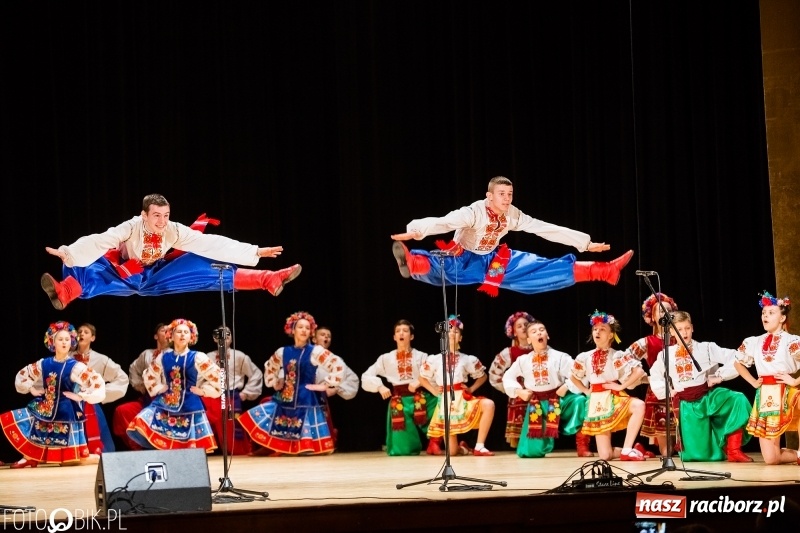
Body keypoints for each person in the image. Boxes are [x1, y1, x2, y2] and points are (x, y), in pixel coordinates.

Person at [40, 193, 301, 310]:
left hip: (156, 274)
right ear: (144, 215)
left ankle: (268, 279)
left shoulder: (173, 230)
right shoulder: (131, 227)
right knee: (85, 263)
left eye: (166, 215)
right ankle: (66, 292)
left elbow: (212, 243)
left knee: (204, 264)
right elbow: (102, 240)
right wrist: (69, 252)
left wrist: (255, 252)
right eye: (156, 215)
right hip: (122, 272)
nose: (162, 221)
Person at [390, 176, 633, 297]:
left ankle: (605, 271)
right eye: (502, 194)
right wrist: (417, 229)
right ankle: (411, 262)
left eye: (510, 194)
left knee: (538, 268)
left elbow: (543, 228)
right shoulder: (473, 213)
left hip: (494, 260)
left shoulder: (512, 215)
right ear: (489, 196)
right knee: (443, 267)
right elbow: (444, 221)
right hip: (464, 257)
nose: (507, 198)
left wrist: (585, 243)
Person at [648, 310, 753, 462]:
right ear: (671, 332)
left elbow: (736, 357)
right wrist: (668, 391)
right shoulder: (666, 354)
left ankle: (734, 450)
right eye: (679, 329)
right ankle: (717, 446)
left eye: (687, 328)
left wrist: (720, 376)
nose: (684, 333)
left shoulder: (706, 348)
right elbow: (655, 374)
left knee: (737, 399)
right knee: (698, 456)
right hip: (687, 405)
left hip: (707, 397)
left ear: (692, 328)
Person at [237, 311, 345, 455]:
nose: (304, 330)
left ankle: (304, 449)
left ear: (311, 332)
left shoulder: (315, 351)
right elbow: (270, 367)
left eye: (307, 328)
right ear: (292, 330)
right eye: (300, 327)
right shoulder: (283, 352)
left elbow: (337, 365)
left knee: (306, 438)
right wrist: (274, 382)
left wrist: (325, 384)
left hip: (306, 397)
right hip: (287, 396)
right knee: (278, 421)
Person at [1, 321, 106, 468]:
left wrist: (81, 396)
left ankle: (99, 459)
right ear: (52, 342)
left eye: (67, 339)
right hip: (46, 407)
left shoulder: (75, 366)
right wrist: (31, 389)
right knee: (20, 422)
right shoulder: (44, 363)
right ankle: (29, 457)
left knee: (70, 459)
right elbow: (23, 375)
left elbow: (96, 382)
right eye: (60, 339)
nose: (64, 342)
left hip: (65, 412)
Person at [126, 318, 221, 452]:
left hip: (189, 404)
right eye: (179, 332)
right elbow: (150, 374)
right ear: (171, 335)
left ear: (191, 337)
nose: (182, 335)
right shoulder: (164, 356)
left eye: (186, 332)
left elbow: (218, 377)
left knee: (190, 447)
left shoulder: (197, 357)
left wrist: (204, 391)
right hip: (167, 401)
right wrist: (159, 388)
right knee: (142, 420)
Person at [502, 319, 588, 458]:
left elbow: (580, 373)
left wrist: (566, 386)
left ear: (547, 335)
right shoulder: (523, 360)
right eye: (534, 332)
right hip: (537, 405)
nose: (539, 333)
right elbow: (507, 377)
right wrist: (518, 391)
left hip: (559, 400)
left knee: (581, 401)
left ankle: (582, 445)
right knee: (528, 453)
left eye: (542, 330)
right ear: (529, 340)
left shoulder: (560, 357)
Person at [734, 291, 800, 466]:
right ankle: (798, 456)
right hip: (766, 396)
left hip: (787, 390)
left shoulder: (791, 341)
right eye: (764, 313)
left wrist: (794, 381)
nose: (765, 316)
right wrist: (753, 382)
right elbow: (738, 363)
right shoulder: (754, 341)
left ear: (782, 318)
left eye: (771, 313)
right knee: (771, 459)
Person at [570, 310, 647, 461]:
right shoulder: (585, 357)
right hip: (597, 402)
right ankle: (633, 450)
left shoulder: (616, 355)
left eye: (602, 329)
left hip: (613, 396)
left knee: (639, 405)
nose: (597, 332)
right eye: (595, 329)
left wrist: (620, 387)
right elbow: (573, 377)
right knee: (605, 456)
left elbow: (638, 371)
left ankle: (627, 449)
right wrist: (586, 391)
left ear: (611, 335)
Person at [361, 319, 441, 456]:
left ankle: (435, 442)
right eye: (398, 331)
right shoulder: (385, 359)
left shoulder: (422, 357)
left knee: (444, 403)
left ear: (412, 336)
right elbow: (366, 376)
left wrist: (419, 382)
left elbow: (435, 375)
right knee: (404, 451)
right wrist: (379, 386)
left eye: (405, 330)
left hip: (421, 398)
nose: (401, 333)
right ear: (394, 337)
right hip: (399, 402)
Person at [418, 316, 496, 456]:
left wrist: (471, 389)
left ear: (460, 338)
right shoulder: (435, 359)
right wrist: (434, 390)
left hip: (462, 398)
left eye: (456, 332)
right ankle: (463, 448)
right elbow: (422, 377)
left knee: (489, 404)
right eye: (448, 331)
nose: (452, 334)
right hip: (445, 402)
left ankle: (479, 446)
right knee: (452, 452)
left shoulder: (467, 359)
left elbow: (483, 376)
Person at [624, 292, 680, 458]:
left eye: (669, 310)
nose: (666, 314)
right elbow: (624, 358)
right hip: (659, 394)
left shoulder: (681, 338)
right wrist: (643, 378)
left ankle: (644, 449)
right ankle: (643, 448)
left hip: (680, 390)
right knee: (667, 452)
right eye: (661, 311)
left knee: (683, 445)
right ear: (653, 317)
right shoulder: (647, 342)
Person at [200, 326, 263, 455]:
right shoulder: (208, 357)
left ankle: (237, 454)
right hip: (212, 397)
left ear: (231, 338)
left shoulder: (239, 356)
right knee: (204, 422)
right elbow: (199, 377)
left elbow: (256, 374)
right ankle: (203, 450)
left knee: (231, 431)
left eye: (228, 334)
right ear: (215, 338)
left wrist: (246, 393)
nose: (225, 337)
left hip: (231, 396)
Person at [71, 323, 129, 454]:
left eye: (86, 332)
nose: (81, 334)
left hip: (90, 404)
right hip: (70, 403)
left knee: (101, 443)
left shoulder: (100, 359)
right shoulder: (68, 357)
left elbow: (122, 378)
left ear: (92, 338)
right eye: (79, 331)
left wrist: (99, 393)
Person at [111, 322, 169, 450]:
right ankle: (138, 447)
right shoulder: (147, 354)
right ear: (155, 336)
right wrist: (140, 385)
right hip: (148, 400)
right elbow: (134, 368)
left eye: (169, 331)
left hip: (168, 400)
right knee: (122, 411)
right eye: (163, 330)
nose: (166, 333)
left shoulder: (174, 354)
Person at [488, 311, 534, 449]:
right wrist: (512, 390)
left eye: (526, 324)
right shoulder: (509, 352)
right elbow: (494, 375)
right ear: (514, 332)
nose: (524, 327)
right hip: (519, 396)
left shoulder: (542, 349)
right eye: (519, 326)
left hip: (538, 393)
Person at [313, 326, 359, 450]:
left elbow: (352, 379)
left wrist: (336, 388)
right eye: (323, 334)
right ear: (314, 339)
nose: (326, 337)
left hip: (320, 401)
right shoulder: (305, 354)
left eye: (329, 336)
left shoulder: (335, 360)